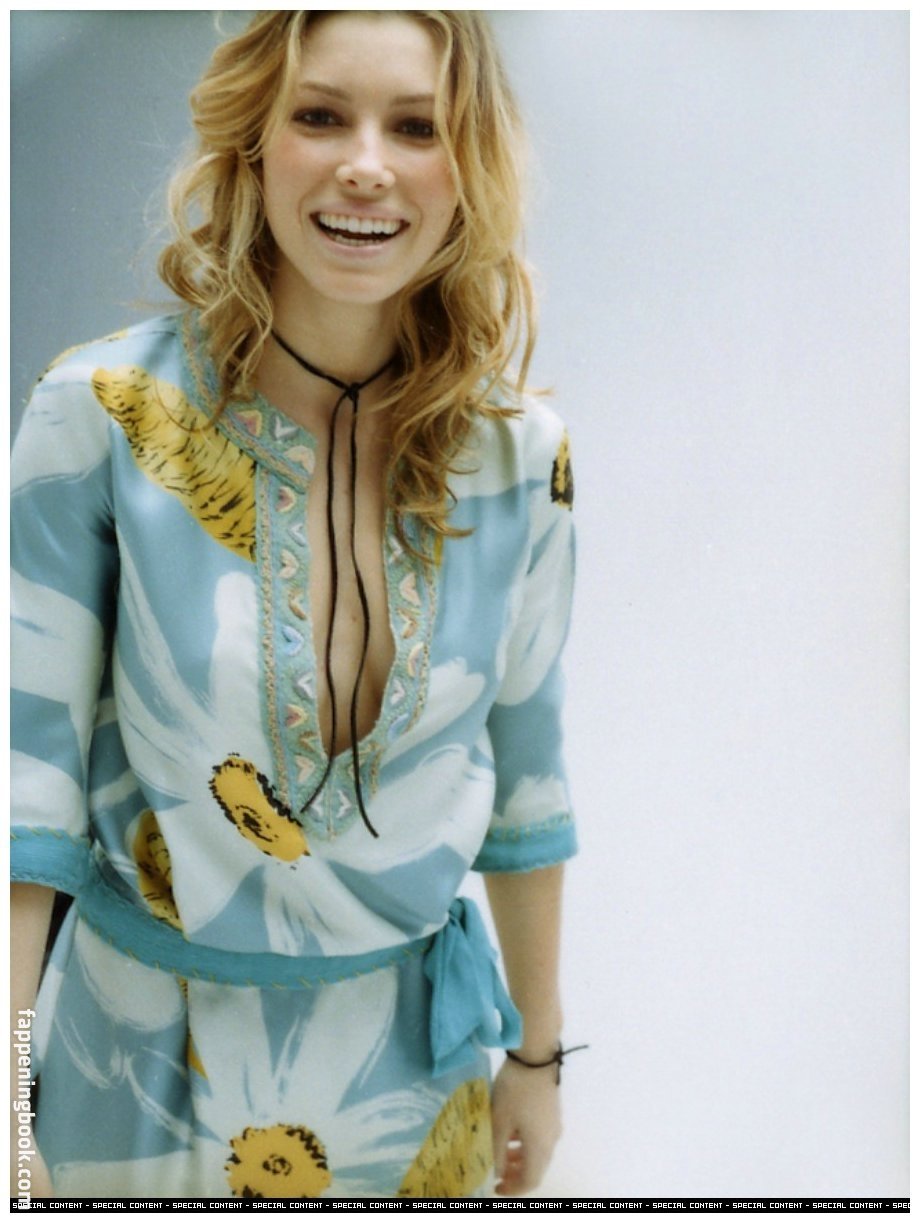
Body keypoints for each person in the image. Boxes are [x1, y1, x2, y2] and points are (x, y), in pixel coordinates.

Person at [11, 10, 577, 1200]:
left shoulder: (518, 456)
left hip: (415, 1088)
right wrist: (6, 1093)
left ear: (466, 165)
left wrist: (536, 1054)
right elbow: (27, 791)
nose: (365, 163)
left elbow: (527, 781)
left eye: (415, 127)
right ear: (252, 144)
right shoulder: (99, 413)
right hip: (136, 1068)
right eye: (320, 116)